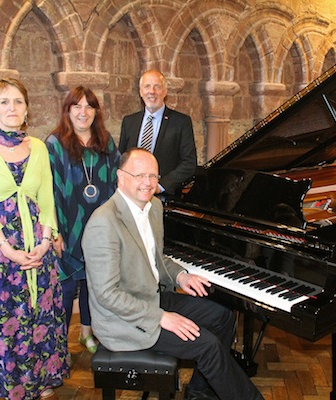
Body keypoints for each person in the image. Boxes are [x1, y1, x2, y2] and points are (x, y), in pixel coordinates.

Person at [82, 148, 264, 400]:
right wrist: (160, 317)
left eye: (153, 176)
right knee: (208, 345)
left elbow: (157, 259)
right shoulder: (103, 223)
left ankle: (199, 392)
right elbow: (106, 295)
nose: (148, 183)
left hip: (152, 296)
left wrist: (181, 277)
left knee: (223, 317)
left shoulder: (154, 207)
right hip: (123, 321)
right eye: (140, 175)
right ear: (120, 177)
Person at [0, 78, 68, 400]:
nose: (12, 108)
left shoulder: (38, 147)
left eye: (18, 102)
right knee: (7, 318)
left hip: (38, 249)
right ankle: (13, 386)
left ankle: (42, 379)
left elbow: (47, 200)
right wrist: (8, 249)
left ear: (27, 109)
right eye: (5, 102)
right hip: (0, 254)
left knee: (41, 313)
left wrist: (45, 241)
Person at [46, 86, 120, 354]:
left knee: (93, 284)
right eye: (76, 106)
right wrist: (54, 232)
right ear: (68, 111)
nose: (83, 112)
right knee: (65, 290)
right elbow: (48, 192)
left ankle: (87, 332)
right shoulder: (54, 144)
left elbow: (117, 182)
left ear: (96, 112)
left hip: (99, 228)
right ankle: (59, 347)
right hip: (67, 227)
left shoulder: (106, 142)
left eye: (89, 106)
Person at [118, 69, 197, 195]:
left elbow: (189, 163)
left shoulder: (181, 122)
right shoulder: (129, 122)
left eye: (157, 87)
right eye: (147, 86)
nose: (152, 92)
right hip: (131, 194)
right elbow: (121, 159)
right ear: (141, 92)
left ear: (165, 92)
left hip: (163, 197)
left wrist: (160, 186)